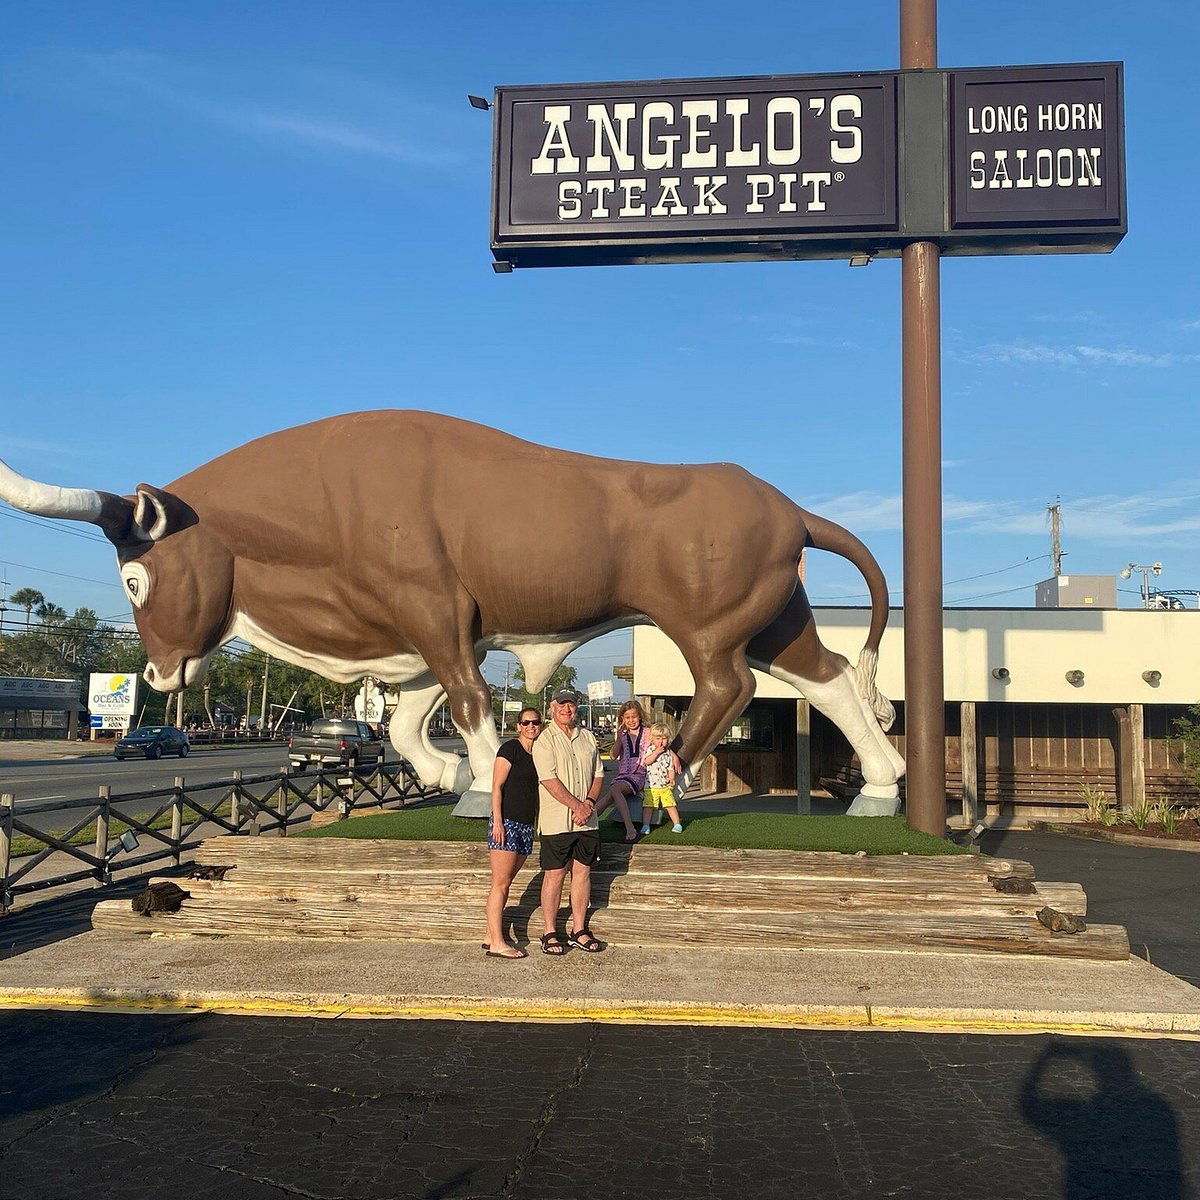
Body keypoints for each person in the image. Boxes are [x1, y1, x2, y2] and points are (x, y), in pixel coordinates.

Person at [532, 688, 606, 955]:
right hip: (557, 821)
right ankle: (549, 931)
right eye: (561, 704)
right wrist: (577, 805)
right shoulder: (544, 740)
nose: (566, 709)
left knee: (583, 872)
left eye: (571, 704)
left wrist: (588, 803)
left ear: (577, 707)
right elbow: (548, 779)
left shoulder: (588, 737)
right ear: (552, 707)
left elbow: (598, 775)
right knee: (555, 874)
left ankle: (579, 930)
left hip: (587, 820)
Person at [483, 705, 542, 959]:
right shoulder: (510, 749)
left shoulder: (538, 753)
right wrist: (498, 822)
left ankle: (490, 934)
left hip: (526, 825)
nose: (531, 726)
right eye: (526, 722)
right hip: (507, 823)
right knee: (501, 883)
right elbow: (496, 787)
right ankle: (497, 942)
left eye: (535, 722)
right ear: (518, 726)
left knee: (505, 882)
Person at [596, 700, 645, 842]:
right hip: (623, 775)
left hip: (640, 774)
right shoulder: (623, 735)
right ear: (622, 719)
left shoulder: (648, 732)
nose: (631, 720)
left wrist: (673, 757)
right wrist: (619, 737)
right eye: (627, 717)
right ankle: (586, 822)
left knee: (615, 789)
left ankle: (630, 828)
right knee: (610, 796)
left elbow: (663, 743)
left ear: (640, 716)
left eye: (634, 717)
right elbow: (613, 756)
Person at [640, 723, 684, 835]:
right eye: (658, 738)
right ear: (652, 739)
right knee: (648, 806)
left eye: (664, 739)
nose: (661, 741)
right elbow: (647, 761)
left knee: (670, 805)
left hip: (664, 786)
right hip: (651, 786)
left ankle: (677, 824)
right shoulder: (650, 749)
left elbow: (670, 768)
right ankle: (646, 825)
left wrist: (671, 778)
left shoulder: (668, 753)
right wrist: (656, 753)